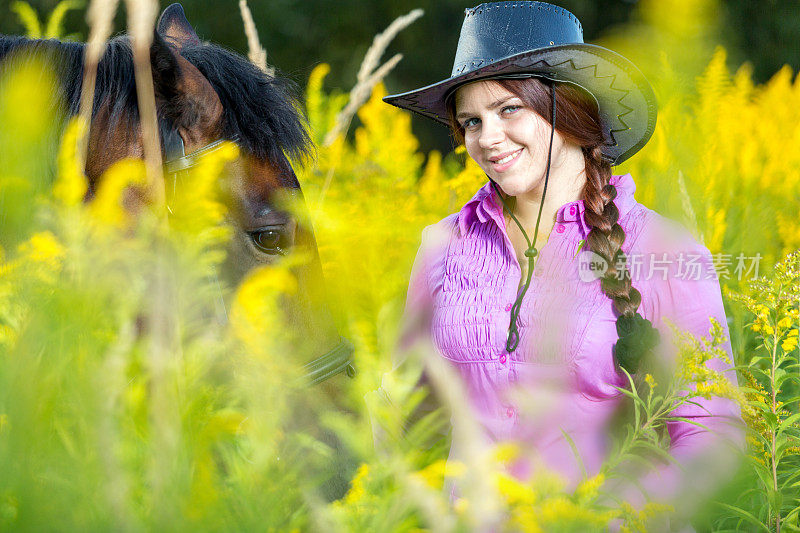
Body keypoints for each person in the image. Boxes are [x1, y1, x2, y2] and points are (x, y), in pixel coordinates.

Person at [382, 0, 743, 525]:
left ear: (570, 112)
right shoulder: (442, 245)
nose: (487, 138)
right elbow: (409, 411)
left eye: (509, 110)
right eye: (471, 121)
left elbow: (713, 431)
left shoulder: (666, 250)